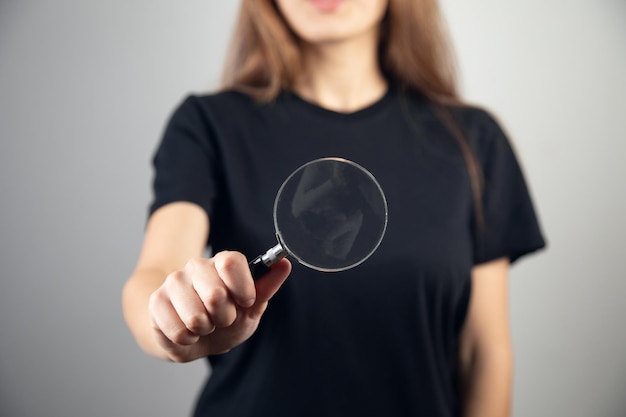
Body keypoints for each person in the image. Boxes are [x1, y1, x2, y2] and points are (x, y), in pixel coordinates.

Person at [122, 0, 546, 416]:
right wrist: (170, 325)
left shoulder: (473, 141)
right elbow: (154, 277)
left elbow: (484, 352)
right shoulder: (207, 125)